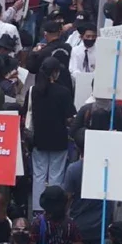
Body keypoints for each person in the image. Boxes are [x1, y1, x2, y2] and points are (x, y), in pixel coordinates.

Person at [28, 58, 74, 213]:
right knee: (56, 175)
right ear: (56, 73)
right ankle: (54, 208)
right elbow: (69, 117)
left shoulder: (33, 90)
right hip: (59, 139)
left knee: (38, 175)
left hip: (38, 139)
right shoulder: (63, 92)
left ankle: (37, 209)